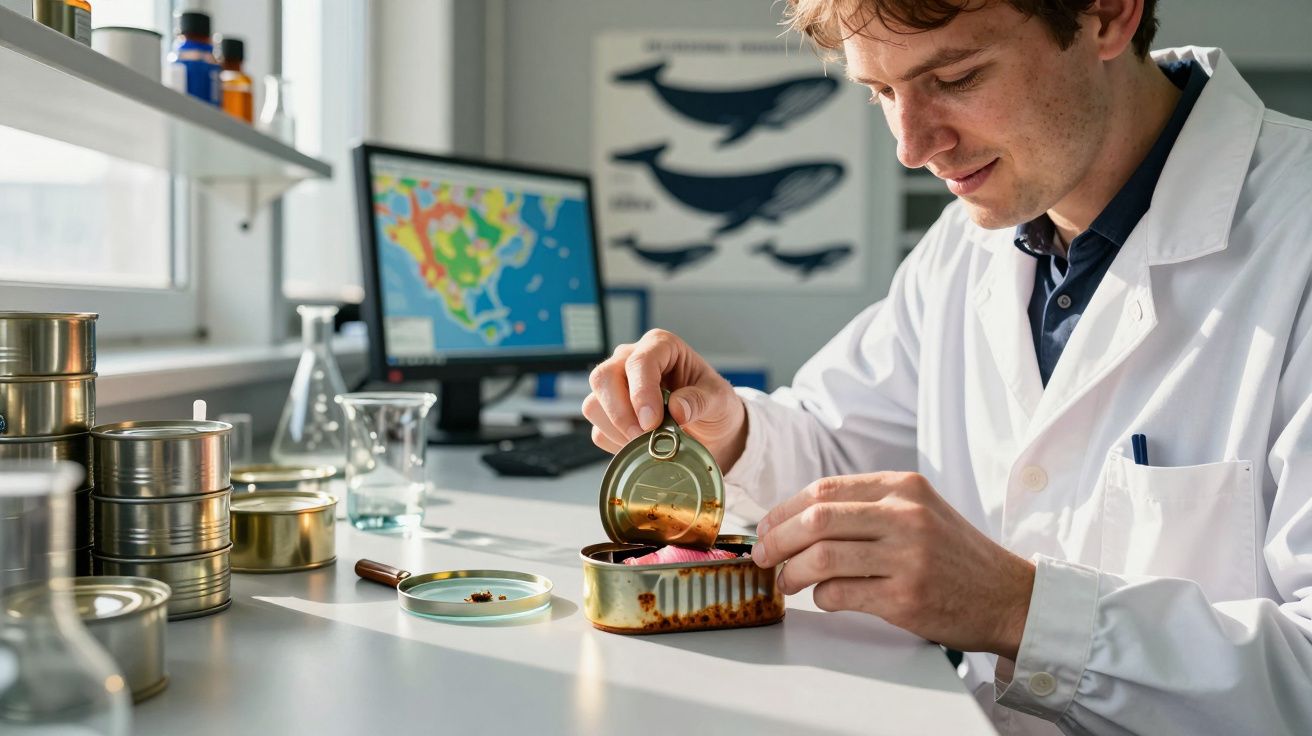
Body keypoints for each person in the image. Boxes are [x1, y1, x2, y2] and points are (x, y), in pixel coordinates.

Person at [582, 1, 1312, 734]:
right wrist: (731, 433)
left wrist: (1015, 610)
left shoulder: (1296, 240)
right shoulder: (975, 241)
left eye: (956, 77)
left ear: (1107, 15)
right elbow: (842, 450)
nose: (911, 144)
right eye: (881, 92)